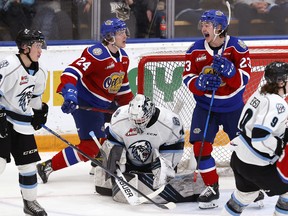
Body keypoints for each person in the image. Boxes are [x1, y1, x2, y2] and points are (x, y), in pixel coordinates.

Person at [37, 18, 134, 183]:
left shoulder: (123, 57)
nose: (124, 35)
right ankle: (48, 166)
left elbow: (123, 89)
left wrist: (131, 107)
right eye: (120, 33)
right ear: (110, 37)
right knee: (89, 146)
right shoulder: (96, 53)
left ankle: (98, 162)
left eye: (124, 31)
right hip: (86, 104)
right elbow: (70, 72)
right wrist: (70, 94)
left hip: (105, 105)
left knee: (121, 130)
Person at [182, 9, 252, 209]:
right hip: (206, 107)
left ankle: (249, 187)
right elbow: (188, 77)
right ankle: (212, 187)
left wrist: (231, 73)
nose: (203, 28)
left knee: (244, 149)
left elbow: (245, 79)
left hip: (233, 108)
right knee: (200, 148)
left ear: (219, 28)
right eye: (202, 24)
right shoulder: (194, 50)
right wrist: (200, 83)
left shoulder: (238, 47)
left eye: (207, 25)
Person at [95, 94, 205, 203]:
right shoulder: (119, 117)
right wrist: (115, 162)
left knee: (163, 174)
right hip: (129, 162)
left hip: (156, 161)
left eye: (141, 120)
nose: (137, 124)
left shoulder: (169, 122)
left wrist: (164, 169)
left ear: (150, 113)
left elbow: (174, 148)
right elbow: (113, 143)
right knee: (111, 158)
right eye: (134, 121)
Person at [221, 61, 288, 215]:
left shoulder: (260, 93)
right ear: (280, 82)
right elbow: (260, 137)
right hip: (255, 164)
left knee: (245, 196)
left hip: (239, 158)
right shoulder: (278, 103)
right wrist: (280, 147)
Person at [0, 29, 48, 215]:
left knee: (28, 165)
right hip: (3, 120)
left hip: (21, 123)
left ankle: (30, 203)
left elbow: (35, 100)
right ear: (24, 47)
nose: (40, 50)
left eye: (40, 45)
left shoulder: (41, 71)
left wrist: (39, 113)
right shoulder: (9, 65)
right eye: (37, 45)